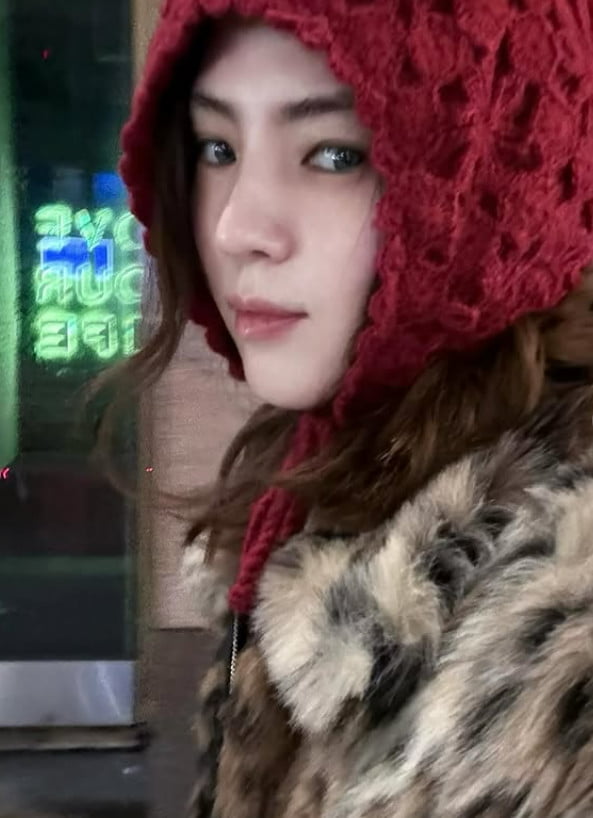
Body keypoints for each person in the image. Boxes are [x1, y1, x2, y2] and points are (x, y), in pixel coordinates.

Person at [119, 1, 593, 816]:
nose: (236, 228)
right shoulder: (328, 469)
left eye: (334, 154)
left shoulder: (559, 641)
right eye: (216, 148)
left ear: (499, 183)